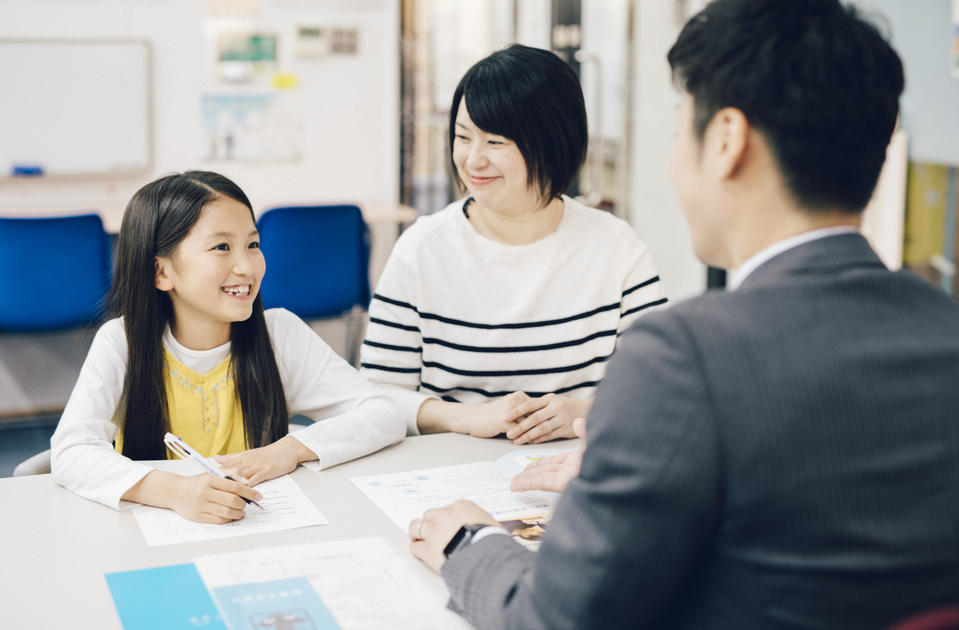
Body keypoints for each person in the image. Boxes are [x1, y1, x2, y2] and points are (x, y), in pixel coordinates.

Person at [407, 1, 959, 628]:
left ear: (725, 141)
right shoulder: (944, 331)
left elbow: (556, 618)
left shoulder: (686, 358)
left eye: (678, 131)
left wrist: (472, 543)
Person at [51, 171, 404, 523]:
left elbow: (382, 413)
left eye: (253, 245)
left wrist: (291, 449)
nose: (247, 266)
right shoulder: (122, 342)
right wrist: (173, 491)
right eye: (221, 247)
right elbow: (70, 451)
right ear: (161, 273)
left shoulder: (279, 333)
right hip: (154, 532)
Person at [361, 44, 666, 444]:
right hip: (449, 470)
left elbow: (662, 387)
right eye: (463, 137)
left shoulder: (616, 247)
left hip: (576, 466)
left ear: (552, 141)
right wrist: (466, 417)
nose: (473, 160)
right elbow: (377, 395)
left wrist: (585, 412)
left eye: (495, 142)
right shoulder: (422, 249)